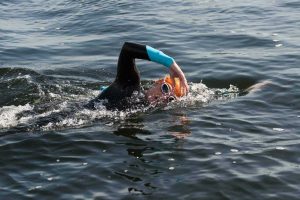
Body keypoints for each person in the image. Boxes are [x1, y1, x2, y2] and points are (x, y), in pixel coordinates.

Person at [85, 42, 189, 110]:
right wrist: (170, 62)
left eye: (170, 99)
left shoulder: (143, 109)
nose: (164, 97)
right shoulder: (130, 85)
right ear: (158, 82)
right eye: (165, 88)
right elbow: (127, 49)